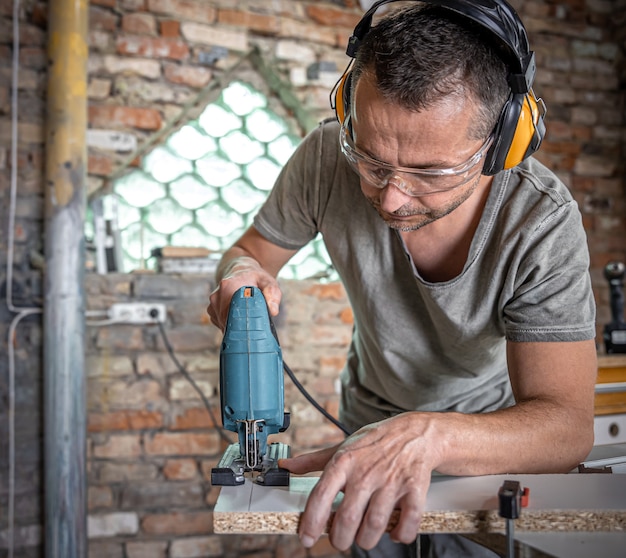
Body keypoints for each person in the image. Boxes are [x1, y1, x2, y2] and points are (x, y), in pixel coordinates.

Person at [207, 1, 597, 556]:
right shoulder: (324, 160)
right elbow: (250, 252)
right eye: (371, 160)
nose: (390, 197)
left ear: (503, 142)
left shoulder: (539, 223)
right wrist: (241, 271)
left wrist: (429, 434)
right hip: (367, 426)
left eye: (430, 173)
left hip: (485, 443)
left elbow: (565, 428)